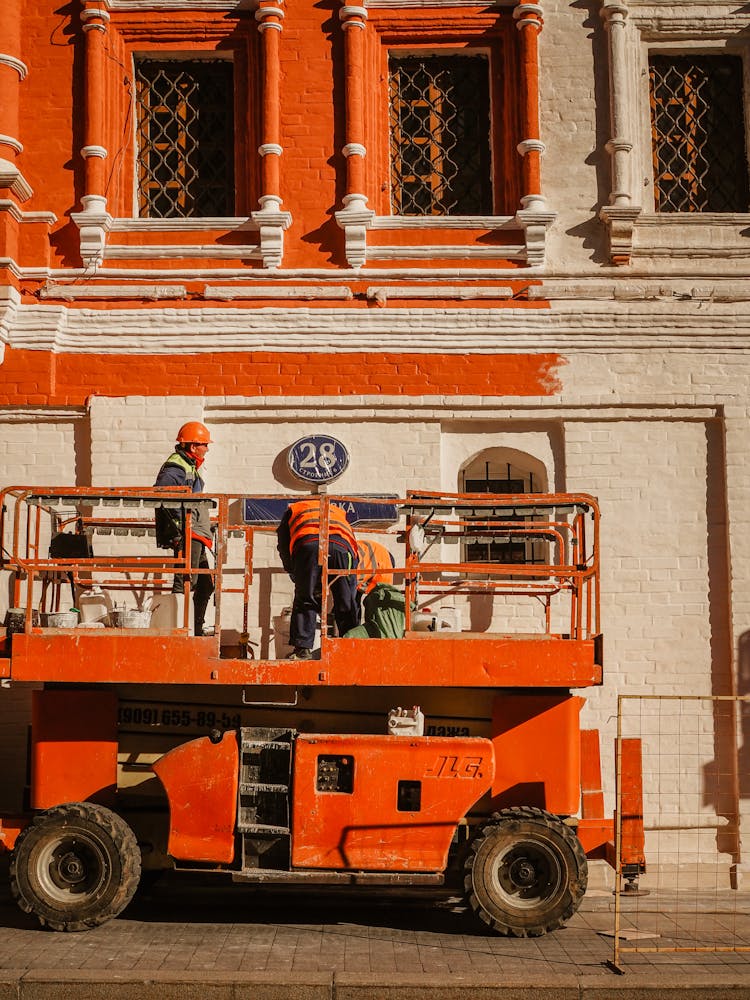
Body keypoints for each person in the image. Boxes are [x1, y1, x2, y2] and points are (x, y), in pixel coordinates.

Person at [276, 497, 360, 659]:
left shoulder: (294, 509)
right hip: (342, 547)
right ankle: (350, 646)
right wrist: (349, 582)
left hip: (308, 545)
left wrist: (294, 571)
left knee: (306, 598)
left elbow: (283, 541)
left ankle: (302, 649)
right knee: (345, 599)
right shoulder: (337, 511)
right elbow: (353, 545)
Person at [154, 421, 214, 637]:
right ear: (192, 446)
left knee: (205, 584)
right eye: (204, 444)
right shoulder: (175, 467)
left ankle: (194, 629)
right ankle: (179, 631)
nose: (207, 449)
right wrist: (180, 530)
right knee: (186, 583)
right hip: (188, 534)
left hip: (197, 533)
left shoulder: (188, 466)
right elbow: (162, 496)